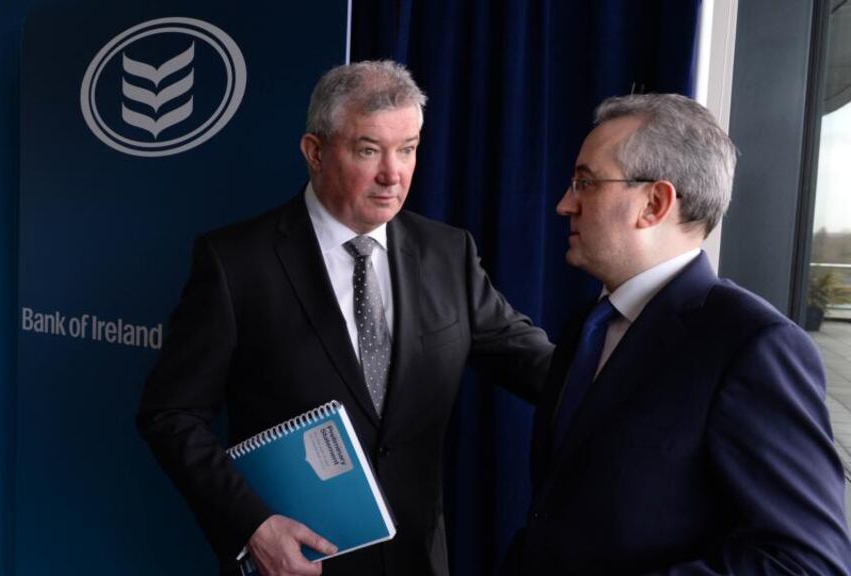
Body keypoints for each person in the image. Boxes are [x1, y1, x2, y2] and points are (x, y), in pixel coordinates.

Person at [137, 60, 553, 576]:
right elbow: (170, 415)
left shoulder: (449, 252)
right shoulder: (235, 263)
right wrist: (252, 526)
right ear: (314, 152)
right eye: (368, 150)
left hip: (416, 562)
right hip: (294, 562)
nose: (393, 174)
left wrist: (638, 366)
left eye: (408, 149)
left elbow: (538, 366)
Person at [506, 93, 851, 575]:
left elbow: (807, 563)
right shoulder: (588, 323)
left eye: (586, 183)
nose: (565, 204)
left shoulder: (753, 345)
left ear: (654, 202)